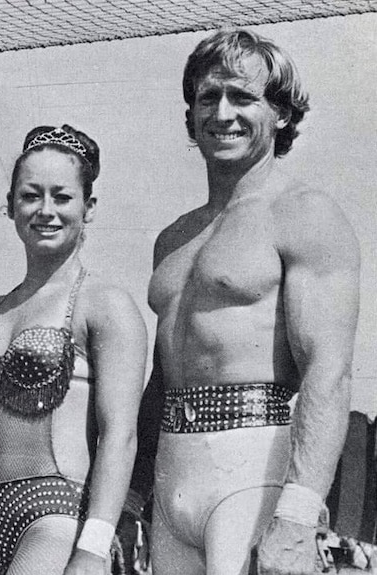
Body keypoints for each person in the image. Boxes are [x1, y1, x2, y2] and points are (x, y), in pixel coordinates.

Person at [128, 29, 361, 575]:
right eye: (207, 97)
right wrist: (133, 495)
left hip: (253, 473)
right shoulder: (173, 239)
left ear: (280, 113)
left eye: (242, 96)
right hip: (170, 478)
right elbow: (163, 377)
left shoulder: (304, 213)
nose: (223, 112)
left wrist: (299, 516)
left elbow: (330, 373)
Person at [0, 124, 148, 575]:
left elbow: (120, 435)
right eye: (30, 196)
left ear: (88, 207)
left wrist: (93, 547)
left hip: (54, 514)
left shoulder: (105, 304)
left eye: (62, 197)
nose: (45, 211)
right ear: (11, 204)